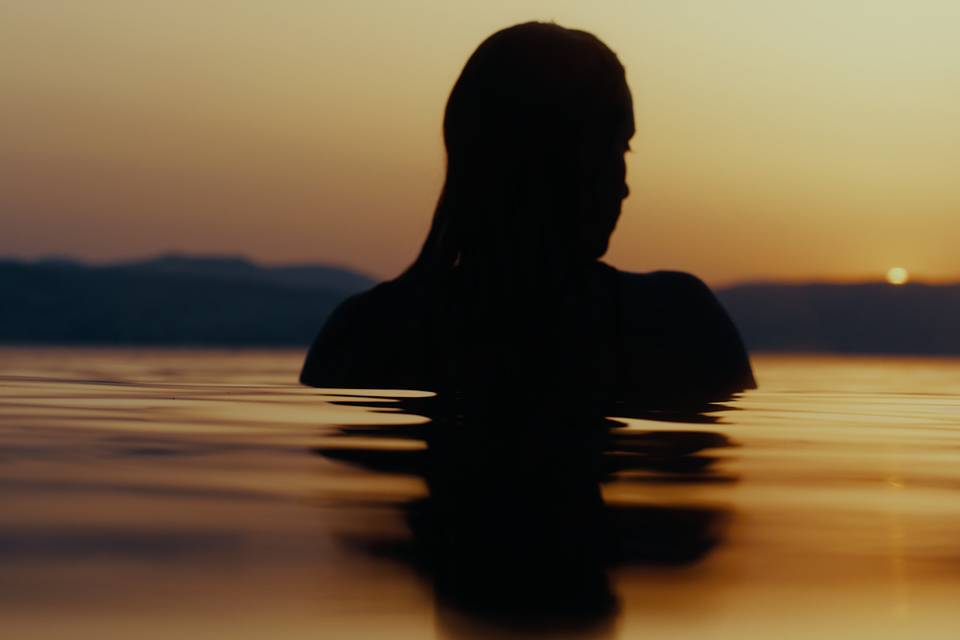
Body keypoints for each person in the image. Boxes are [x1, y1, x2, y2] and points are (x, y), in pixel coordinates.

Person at [301, 22, 755, 400]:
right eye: (617, 147)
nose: (625, 186)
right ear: (555, 158)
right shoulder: (674, 322)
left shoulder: (368, 332)